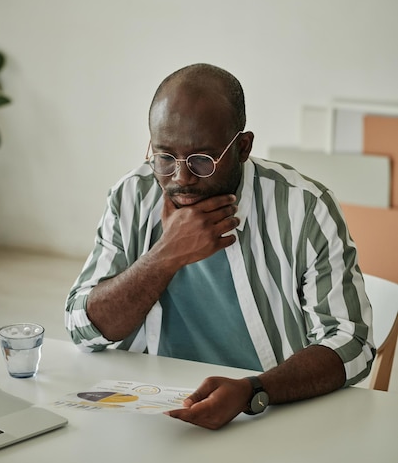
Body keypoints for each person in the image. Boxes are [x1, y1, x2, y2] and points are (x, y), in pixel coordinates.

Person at [65, 63, 375, 430]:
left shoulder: (304, 206)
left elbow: (350, 343)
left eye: (202, 159)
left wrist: (253, 391)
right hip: (152, 414)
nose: (181, 178)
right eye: (164, 157)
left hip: (270, 415)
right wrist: (166, 255)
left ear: (243, 147)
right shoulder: (132, 195)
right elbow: (82, 327)